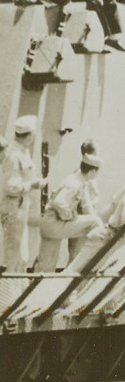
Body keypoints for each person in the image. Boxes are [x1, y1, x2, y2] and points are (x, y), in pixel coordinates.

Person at [35, 152, 107, 272]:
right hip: (54, 224)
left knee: (46, 266)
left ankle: (36, 288)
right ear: (92, 172)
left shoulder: (77, 180)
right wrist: (69, 216)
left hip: (48, 226)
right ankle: (99, 253)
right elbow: (59, 202)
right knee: (94, 222)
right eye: (97, 171)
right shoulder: (75, 184)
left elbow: (86, 207)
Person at [2, 116, 47, 273]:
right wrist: (32, 185)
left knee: (21, 254)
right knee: (14, 255)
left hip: (21, 210)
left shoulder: (23, 152)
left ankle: (17, 292)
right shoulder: (14, 155)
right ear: (29, 135)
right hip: (14, 210)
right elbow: (10, 186)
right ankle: (9, 296)